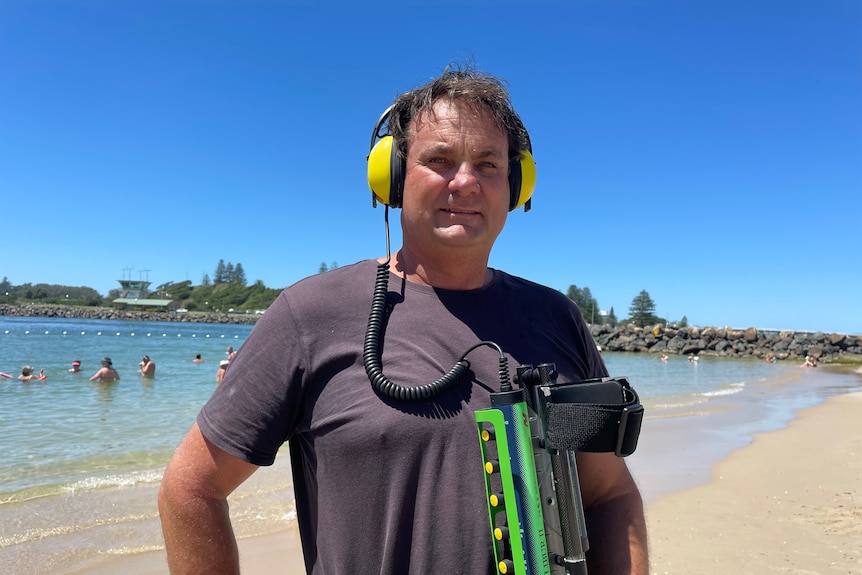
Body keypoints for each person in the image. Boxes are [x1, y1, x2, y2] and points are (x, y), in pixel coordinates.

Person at [158, 66, 648, 574]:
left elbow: (609, 492)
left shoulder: (558, 318)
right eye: (439, 159)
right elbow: (191, 487)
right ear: (391, 176)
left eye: (488, 163)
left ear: (516, 184)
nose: (465, 182)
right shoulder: (310, 315)